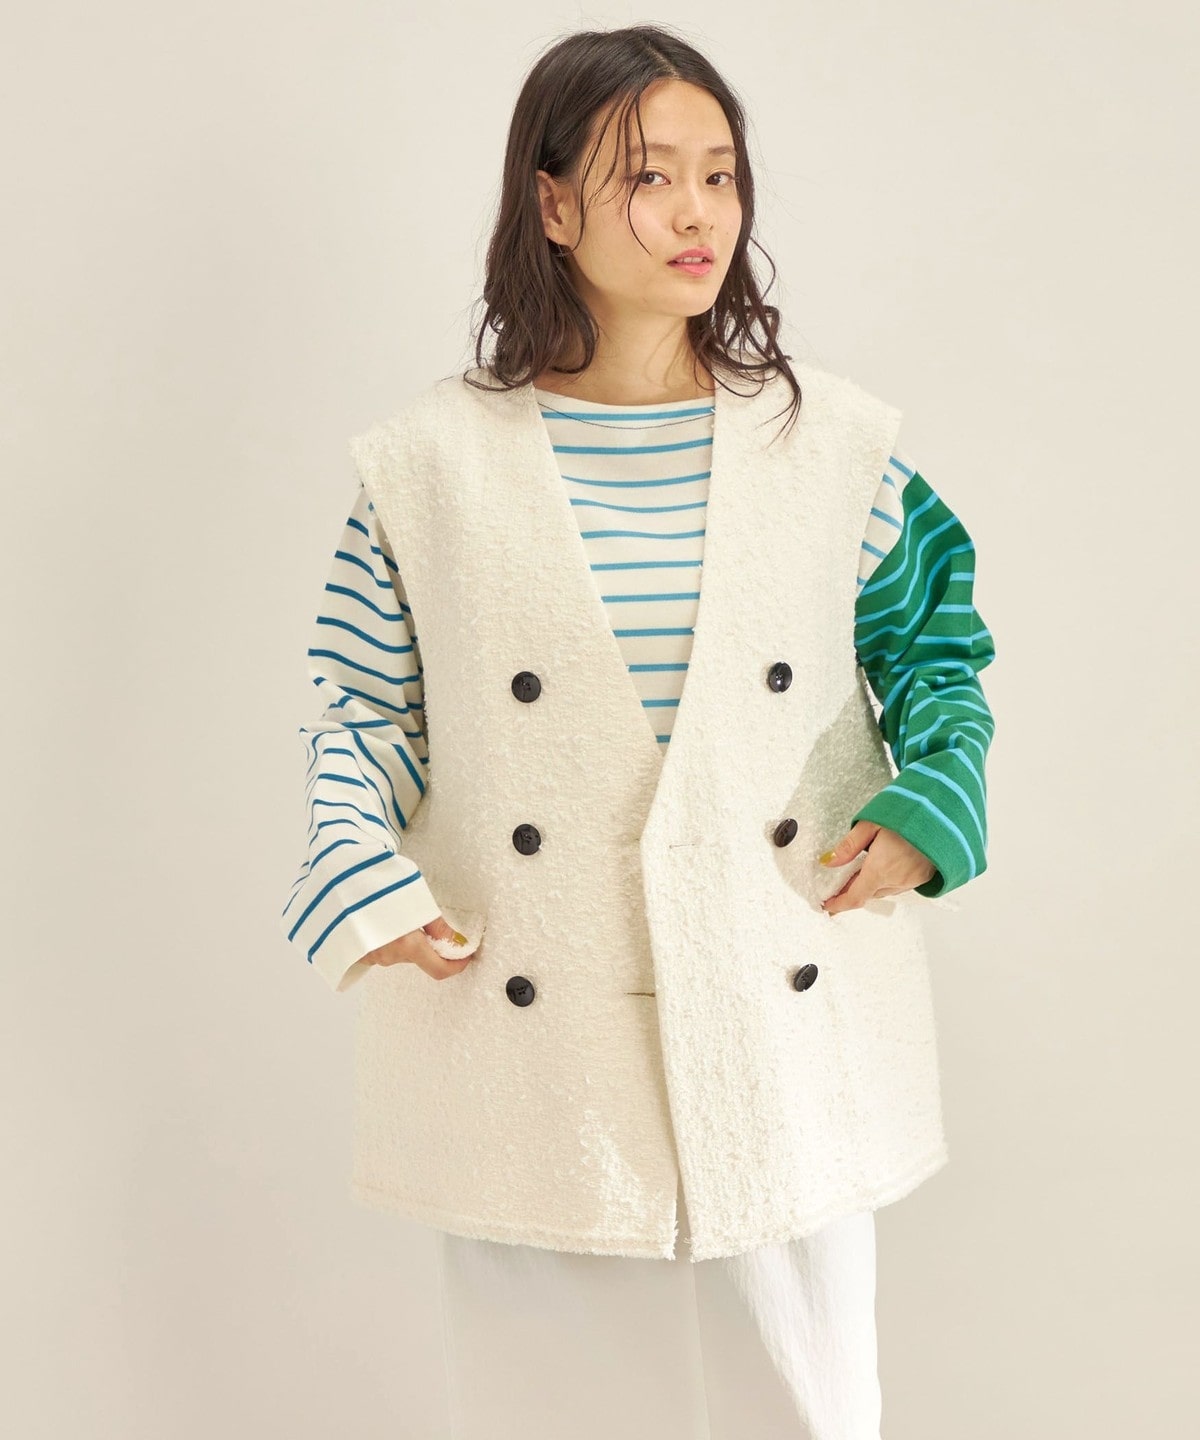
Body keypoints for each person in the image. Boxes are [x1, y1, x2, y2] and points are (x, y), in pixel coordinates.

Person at [279, 23, 995, 1440]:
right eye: (649, 175)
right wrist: (367, 879)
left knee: (799, 1408)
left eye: (719, 175)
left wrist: (926, 816)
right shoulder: (425, 468)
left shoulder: (834, 450)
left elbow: (938, 655)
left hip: (780, 1013)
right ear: (553, 205)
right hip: (533, 1036)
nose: (694, 212)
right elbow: (361, 712)